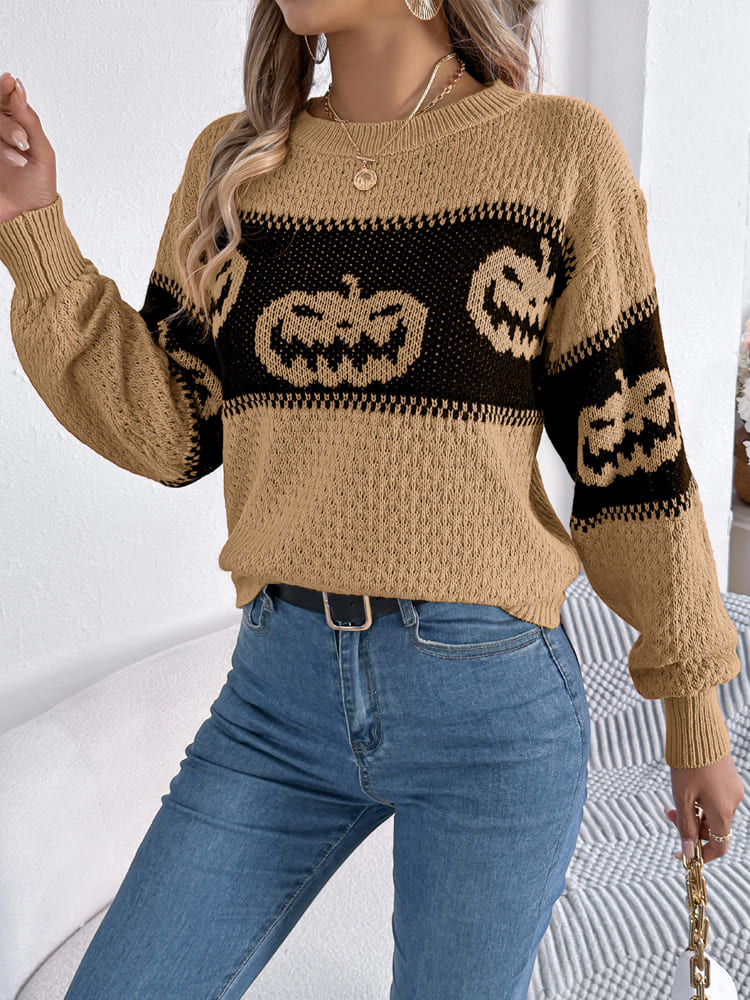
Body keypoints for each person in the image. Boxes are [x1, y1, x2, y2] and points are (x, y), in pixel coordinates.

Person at [0, 0, 744, 997]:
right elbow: (172, 430)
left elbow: (632, 450)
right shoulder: (233, 166)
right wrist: (32, 231)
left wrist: (693, 713)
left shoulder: (557, 153)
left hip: (489, 715)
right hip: (276, 705)